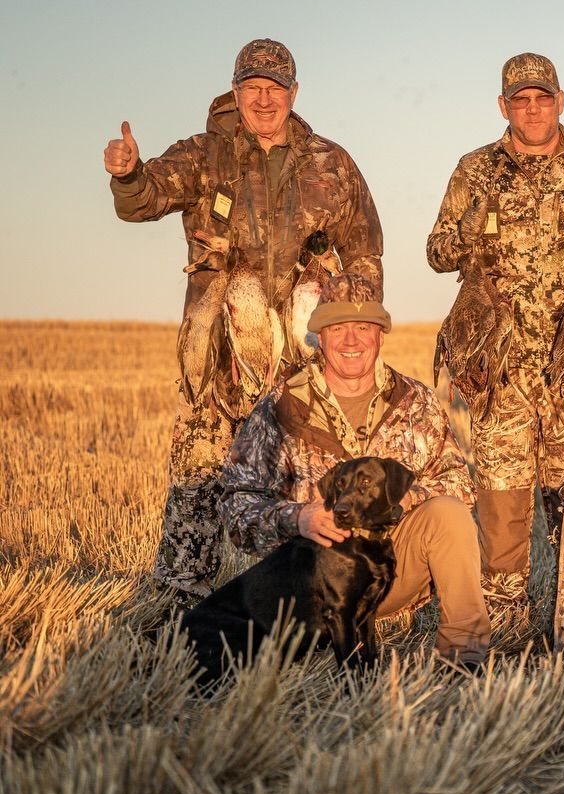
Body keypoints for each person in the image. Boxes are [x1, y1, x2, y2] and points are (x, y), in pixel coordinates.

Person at [102, 38, 383, 601]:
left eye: (274, 88)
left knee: (302, 479)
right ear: (236, 91)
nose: (263, 98)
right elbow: (143, 201)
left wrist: (354, 329)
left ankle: (305, 602)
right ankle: (177, 602)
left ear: (293, 93)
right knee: (200, 476)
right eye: (252, 87)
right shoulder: (206, 153)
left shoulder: (332, 163)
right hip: (220, 354)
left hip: (300, 357)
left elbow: (366, 254)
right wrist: (129, 174)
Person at [426, 53, 564, 634]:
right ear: (503, 106)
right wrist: (469, 229)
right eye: (520, 100)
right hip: (499, 368)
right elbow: (437, 253)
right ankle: (502, 629)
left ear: (560, 101)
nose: (532, 109)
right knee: (502, 502)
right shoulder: (474, 170)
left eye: (542, 98)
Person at [220, 274, 490, 668]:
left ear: (380, 335)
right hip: (312, 584)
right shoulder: (281, 407)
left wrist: (396, 502)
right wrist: (297, 518)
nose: (351, 341)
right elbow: (236, 505)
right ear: (320, 337)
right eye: (338, 329)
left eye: (363, 328)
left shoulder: (415, 401)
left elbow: (459, 485)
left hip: (388, 569)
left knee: (448, 512)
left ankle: (465, 657)